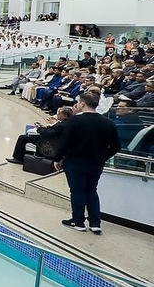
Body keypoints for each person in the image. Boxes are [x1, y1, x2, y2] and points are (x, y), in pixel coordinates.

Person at [53, 91, 121, 234]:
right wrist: (103, 156)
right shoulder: (108, 122)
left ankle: (78, 221)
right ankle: (95, 223)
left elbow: (64, 143)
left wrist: (57, 158)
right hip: (96, 163)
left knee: (77, 191)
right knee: (91, 190)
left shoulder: (75, 121)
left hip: (75, 161)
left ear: (82, 104)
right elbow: (116, 146)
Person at [6, 106, 73, 163]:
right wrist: (44, 127)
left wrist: (39, 129)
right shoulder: (67, 122)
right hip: (52, 139)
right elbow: (53, 131)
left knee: (23, 138)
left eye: (59, 114)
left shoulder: (61, 125)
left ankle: (18, 158)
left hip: (47, 142)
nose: (57, 115)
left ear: (65, 116)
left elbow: (47, 134)